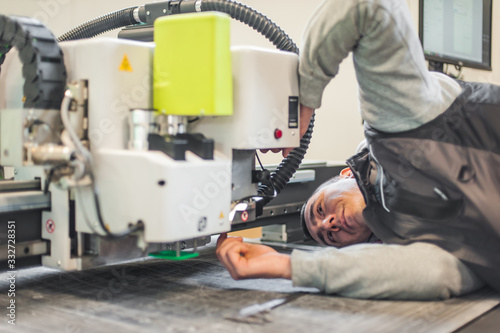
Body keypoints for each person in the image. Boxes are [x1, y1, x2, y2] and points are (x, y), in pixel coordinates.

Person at [216, 0, 500, 300]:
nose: (330, 224)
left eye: (320, 209)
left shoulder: (396, 129)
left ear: (346, 174)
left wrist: (305, 102)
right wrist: (286, 265)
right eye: (328, 237)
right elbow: (437, 275)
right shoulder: (414, 245)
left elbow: (370, 7)